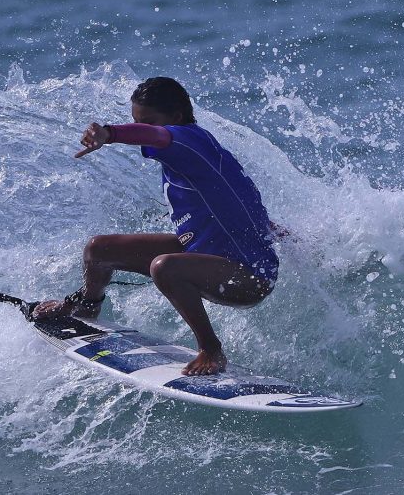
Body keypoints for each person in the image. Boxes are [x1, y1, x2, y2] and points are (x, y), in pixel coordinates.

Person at [32, 77, 278, 376]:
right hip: (207, 255)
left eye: (148, 123)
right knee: (99, 249)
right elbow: (239, 199)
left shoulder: (186, 139)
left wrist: (110, 133)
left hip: (246, 277)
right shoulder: (194, 155)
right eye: (137, 123)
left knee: (165, 267)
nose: (144, 132)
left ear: (175, 117)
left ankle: (211, 349)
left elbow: (159, 136)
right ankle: (87, 305)